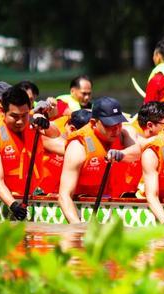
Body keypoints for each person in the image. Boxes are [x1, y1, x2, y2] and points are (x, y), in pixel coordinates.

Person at [57, 96, 135, 224]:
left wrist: (122, 153)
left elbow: (139, 151)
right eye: (110, 125)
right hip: (83, 207)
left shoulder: (123, 133)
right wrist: (78, 228)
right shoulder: (78, 146)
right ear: (93, 123)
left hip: (113, 202)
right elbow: (64, 196)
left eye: (118, 123)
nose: (116, 129)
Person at [0, 86, 53, 220]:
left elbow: (56, 136)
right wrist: (13, 205)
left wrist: (48, 124)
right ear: (3, 111)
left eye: (24, 115)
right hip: (2, 198)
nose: (20, 122)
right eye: (14, 116)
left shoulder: (33, 127)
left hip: (30, 195)